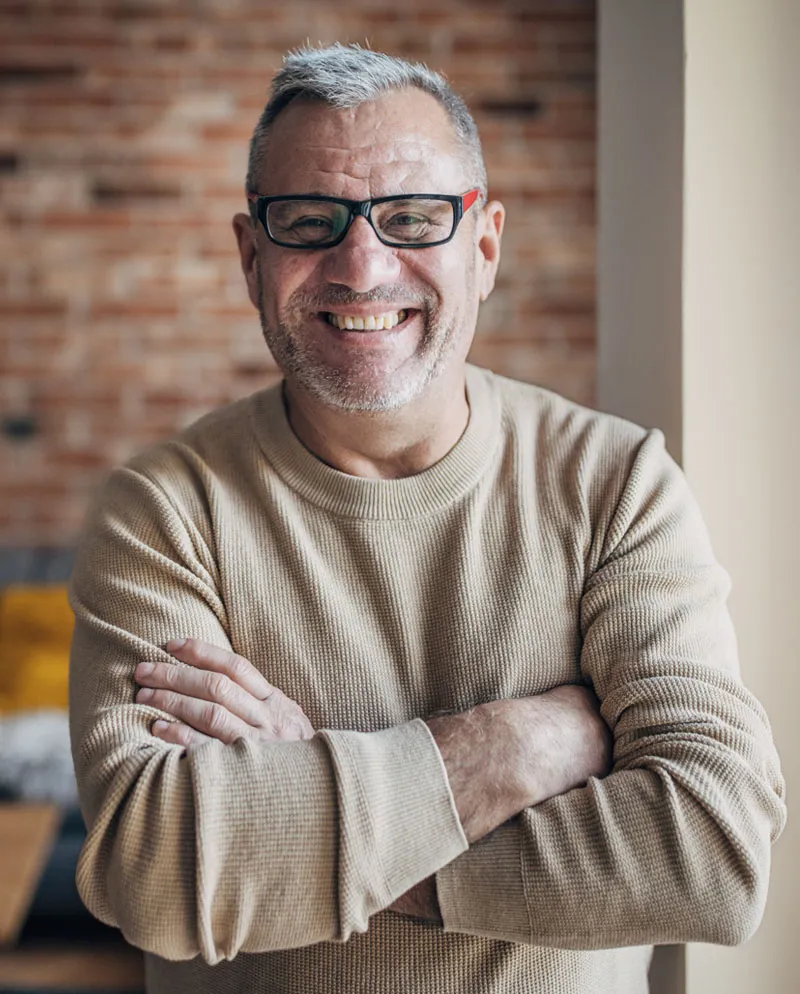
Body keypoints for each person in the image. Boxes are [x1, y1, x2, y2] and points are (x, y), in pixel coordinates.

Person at [68, 44, 786, 994]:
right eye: (310, 220)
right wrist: (518, 747)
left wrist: (311, 795)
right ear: (253, 256)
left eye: (411, 217)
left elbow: (712, 856)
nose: (361, 266)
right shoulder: (163, 512)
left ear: (483, 248)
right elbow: (156, 871)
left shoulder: (618, 483)